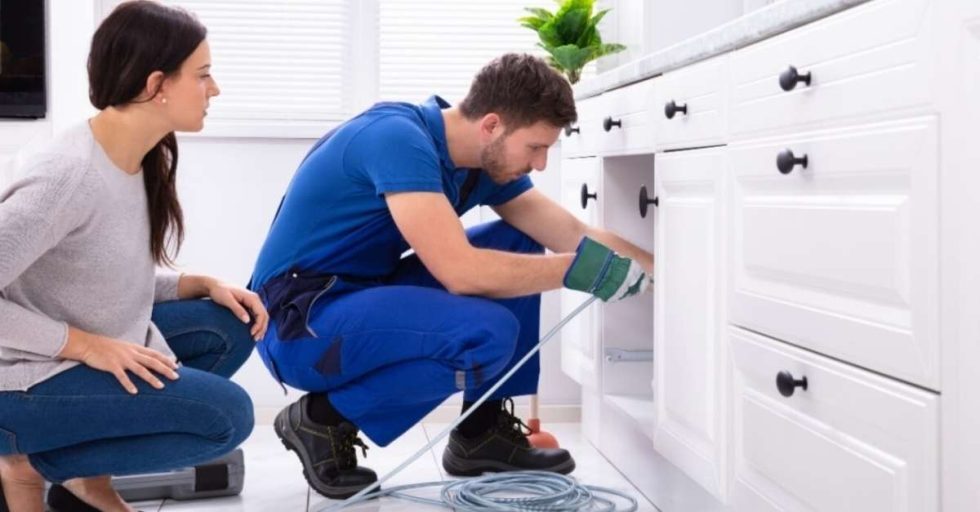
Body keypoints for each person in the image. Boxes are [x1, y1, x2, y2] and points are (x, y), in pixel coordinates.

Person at [249, 53, 652, 499]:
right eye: (536, 147)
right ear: (492, 125)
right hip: (298, 322)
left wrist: (665, 272)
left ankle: (481, 431)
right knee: (486, 333)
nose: (540, 164)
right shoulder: (395, 139)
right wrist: (581, 272)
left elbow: (572, 235)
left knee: (515, 238)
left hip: (361, 298)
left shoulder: (480, 163)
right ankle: (323, 419)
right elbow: (460, 272)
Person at [0, 2, 268, 511]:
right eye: (204, 75)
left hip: (62, 353)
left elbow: (92, 272)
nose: (215, 90)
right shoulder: (67, 175)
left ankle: (85, 480)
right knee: (226, 417)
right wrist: (85, 346)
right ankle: (29, 463)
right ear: (156, 85)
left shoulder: (135, 159)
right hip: (18, 379)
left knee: (226, 324)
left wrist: (193, 282)